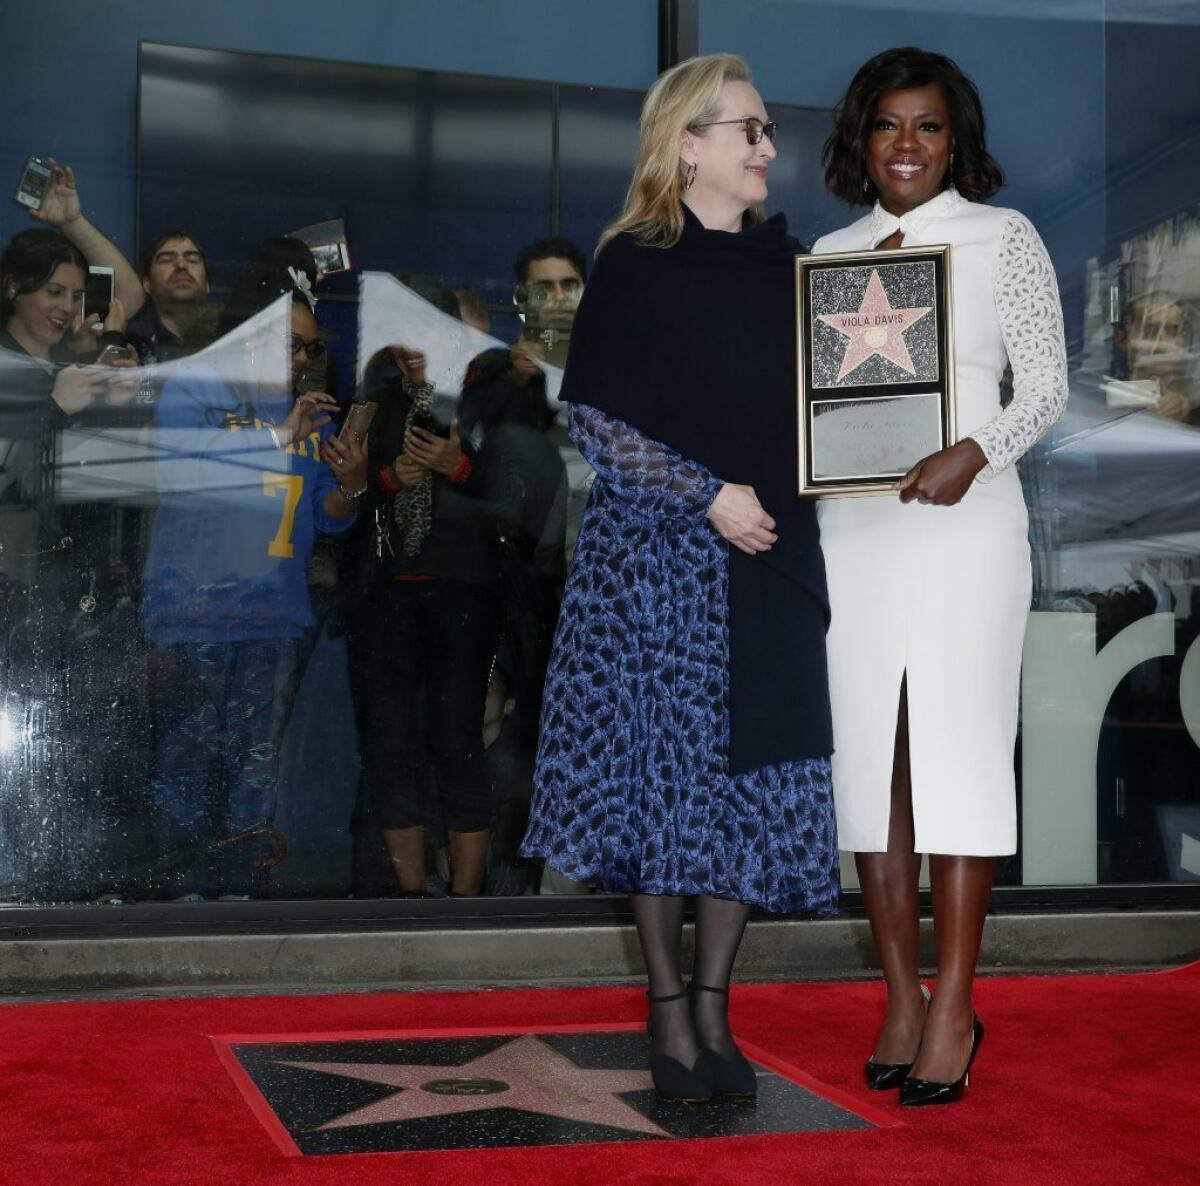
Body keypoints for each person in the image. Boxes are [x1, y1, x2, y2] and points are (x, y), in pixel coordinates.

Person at [520, 53, 838, 1103]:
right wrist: (706, 494)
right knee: (661, 787)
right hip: (657, 561)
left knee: (745, 788)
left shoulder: (794, 271)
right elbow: (598, 421)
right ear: (686, 143)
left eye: (765, 129)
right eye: (745, 128)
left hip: (771, 557)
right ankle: (667, 1009)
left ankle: (715, 1006)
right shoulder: (634, 262)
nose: (766, 147)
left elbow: (832, 417)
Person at [814, 46, 1068, 1105]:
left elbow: (1047, 384)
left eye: (925, 126)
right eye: (887, 125)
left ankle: (957, 1002)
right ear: (860, 141)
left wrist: (978, 450)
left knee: (957, 760)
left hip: (969, 526)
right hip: (859, 533)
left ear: (954, 137)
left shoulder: (1003, 236)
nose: (905, 145)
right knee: (876, 767)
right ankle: (901, 996)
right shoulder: (830, 253)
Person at [139, 256, 365, 898]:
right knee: (184, 765)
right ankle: (181, 901)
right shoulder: (194, 389)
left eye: (309, 349)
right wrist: (274, 436)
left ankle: (241, 897)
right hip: (193, 615)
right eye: (290, 345)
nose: (299, 360)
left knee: (256, 772)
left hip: (273, 617)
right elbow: (179, 475)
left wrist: (350, 484)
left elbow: (329, 519)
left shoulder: (307, 415)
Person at [349, 339, 503, 899]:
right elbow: (346, 495)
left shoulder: (484, 397)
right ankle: (410, 895)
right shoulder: (373, 402)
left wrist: (457, 467)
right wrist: (391, 480)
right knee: (392, 742)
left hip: (464, 591)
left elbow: (519, 494)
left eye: (427, 344)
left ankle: (467, 898)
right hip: (386, 591)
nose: (417, 358)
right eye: (406, 347)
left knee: (458, 739)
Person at [126, 231, 216, 366]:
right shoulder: (131, 343)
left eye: (192, 260)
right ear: (147, 284)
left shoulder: (231, 337)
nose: (181, 265)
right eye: (167, 260)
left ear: (207, 284)